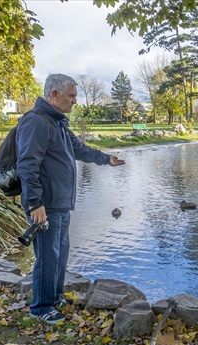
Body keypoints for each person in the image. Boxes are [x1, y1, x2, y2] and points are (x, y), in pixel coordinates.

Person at [16, 74, 125, 324]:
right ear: (54, 95)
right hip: (45, 205)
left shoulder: (58, 123)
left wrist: (105, 159)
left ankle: (54, 298)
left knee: (60, 252)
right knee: (47, 254)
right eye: (71, 96)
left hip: (61, 203)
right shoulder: (36, 122)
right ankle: (41, 307)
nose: (75, 101)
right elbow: (27, 165)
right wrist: (34, 203)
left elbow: (79, 150)